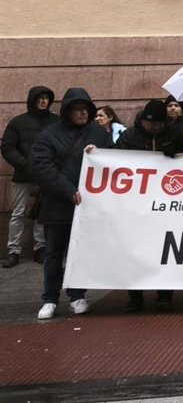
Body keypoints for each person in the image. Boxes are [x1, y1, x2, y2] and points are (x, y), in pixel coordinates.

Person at [28, 87, 111, 321]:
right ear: (67, 111)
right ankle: (50, 298)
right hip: (57, 203)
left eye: (86, 109)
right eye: (77, 109)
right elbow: (42, 166)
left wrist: (100, 154)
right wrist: (68, 190)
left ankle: (77, 295)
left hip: (88, 205)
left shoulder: (97, 132)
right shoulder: (49, 134)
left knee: (80, 251)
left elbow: (113, 160)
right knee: (54, 253)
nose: (83, 113)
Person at [115, 99, 179, 311]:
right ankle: (135, 297)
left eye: (160, 124)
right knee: (135, 249)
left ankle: (164, 295)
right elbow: (113, 160)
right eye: (152, 124)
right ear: (143, 121)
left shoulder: (173, 135)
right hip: (136, 203)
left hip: (166, 203)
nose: (156, 128)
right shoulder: (129, 137)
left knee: (165, 248)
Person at [2, 86, 55, 268]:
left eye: (46, 98)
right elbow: (8, 148)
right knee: (18, 213)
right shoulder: (17, 122)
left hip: (47, 174)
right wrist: (26, 165)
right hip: (24, 175)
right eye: (40, 98)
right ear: (32, 100)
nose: (43, 101)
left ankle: (40, 248)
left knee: (42, 212)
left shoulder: (55, 122)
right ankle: (13, 251)